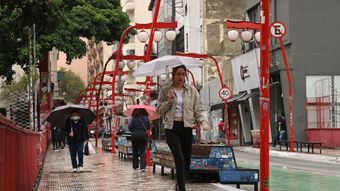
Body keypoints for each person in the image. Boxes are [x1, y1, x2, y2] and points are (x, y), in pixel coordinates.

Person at [156, 65, 209, 191]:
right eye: (178, 74)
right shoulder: (165, 90)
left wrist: (203, 121)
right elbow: (158, 111)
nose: (181, 77)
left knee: (187, 161)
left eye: (183, 74)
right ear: (173, 75)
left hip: (186, 128)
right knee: (179, 159)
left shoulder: (192, 91)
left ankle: (179, 185)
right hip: (172, 128)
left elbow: (199, 108)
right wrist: (168, 101)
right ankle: (182, 188)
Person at [128, 108, 150, 172]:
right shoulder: (146, 118)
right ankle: (142, 167)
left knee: (135, 151)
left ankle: (135, 166)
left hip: (135, 136)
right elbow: (149, 127)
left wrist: (133, 131)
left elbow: (130, 127)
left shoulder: (134, 118)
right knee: (143, 151)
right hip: (143, 136)